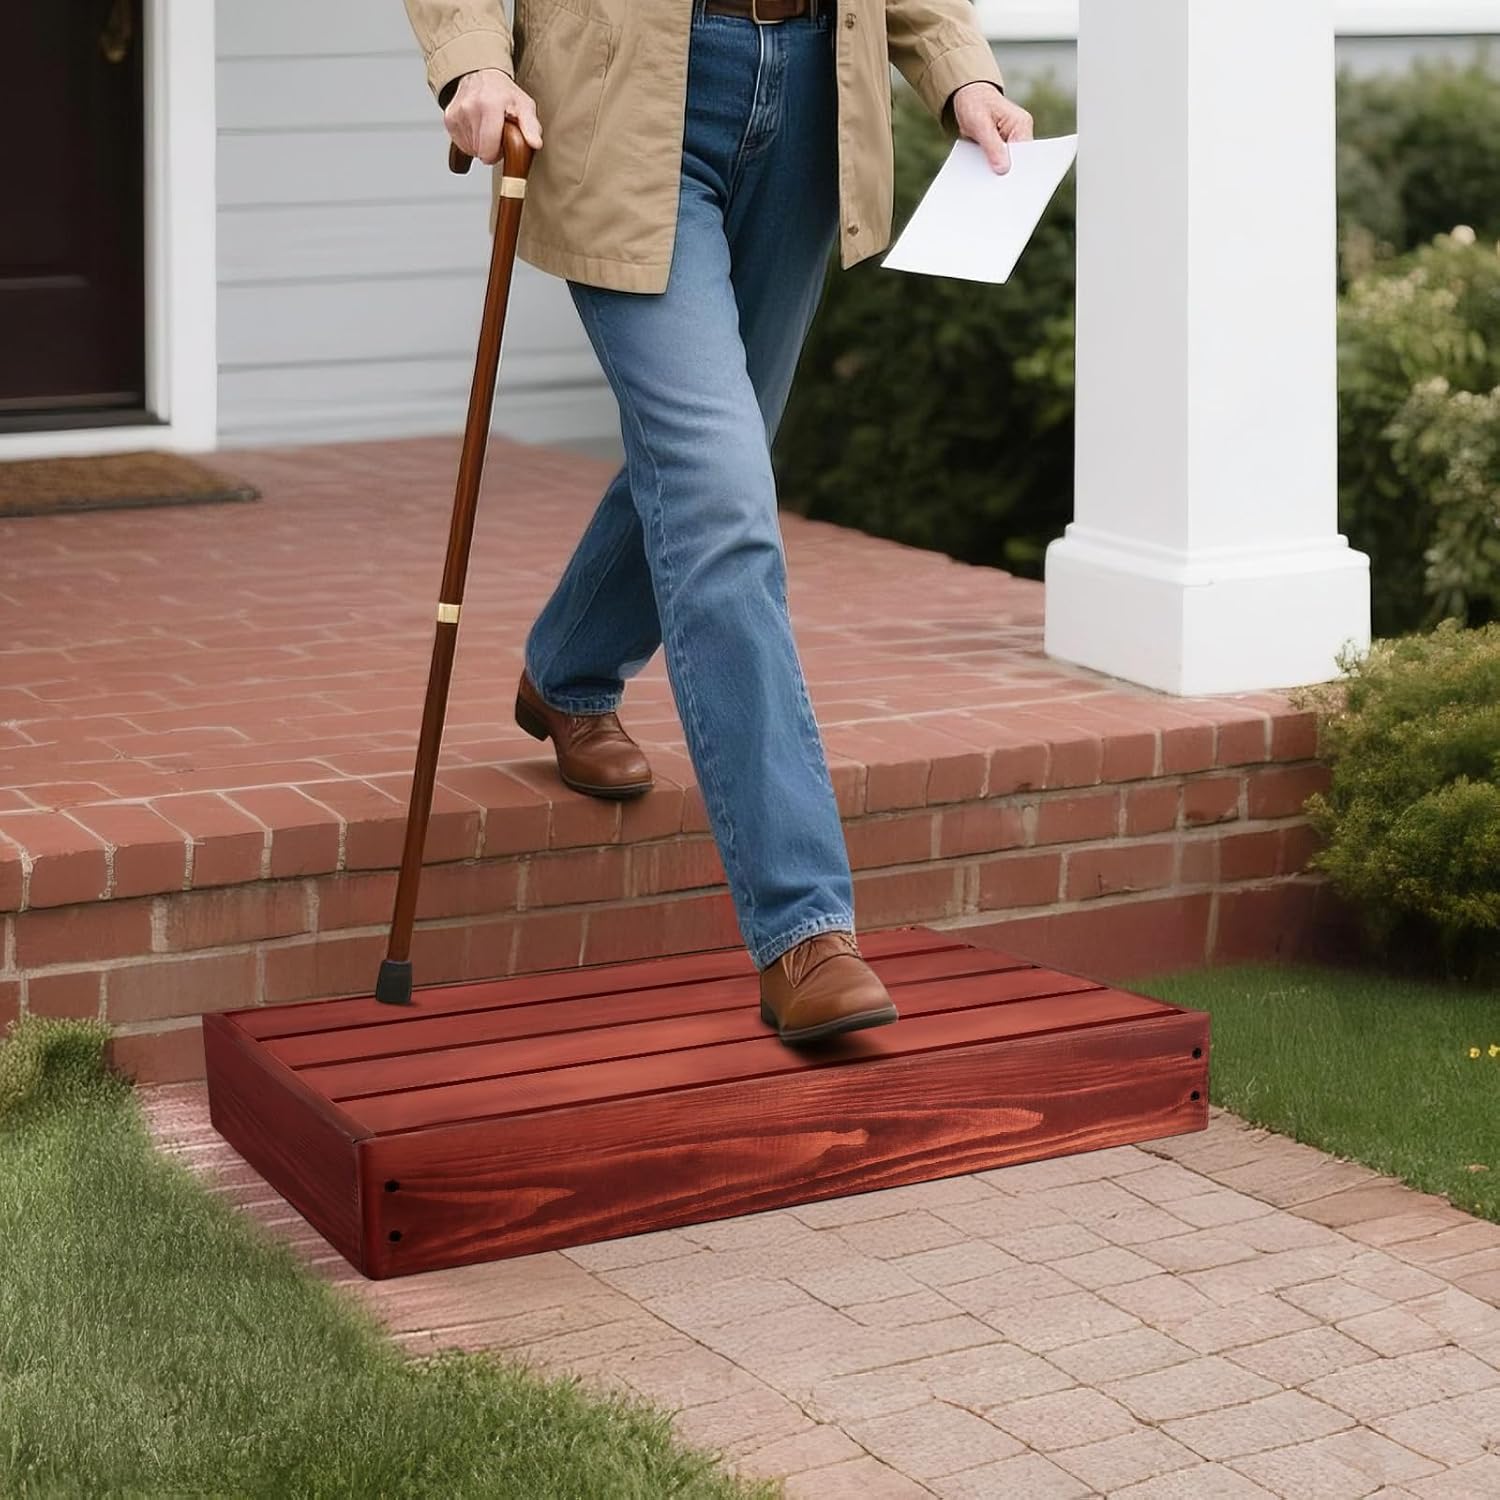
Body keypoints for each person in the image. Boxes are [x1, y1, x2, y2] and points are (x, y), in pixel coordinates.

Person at [404, 0, 1032, 1045]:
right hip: (623, 97)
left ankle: (567, 672)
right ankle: (805, 930)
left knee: (710, 469)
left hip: (812, 97)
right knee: (722, 498)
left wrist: (961, 70)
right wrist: (474, 62)